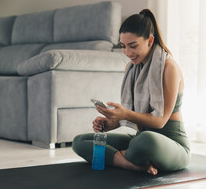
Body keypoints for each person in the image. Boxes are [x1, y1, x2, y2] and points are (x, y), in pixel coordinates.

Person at [72, 9, 190, 175]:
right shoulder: (131, 68)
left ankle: (118, 158)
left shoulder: (169, 67)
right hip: (140, 137)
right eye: (123, 46)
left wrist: (125, 114)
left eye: (133, 46)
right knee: (80, 141)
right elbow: (135, 116)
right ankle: (131, 164)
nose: (128, 53)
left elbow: (160, 121)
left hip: (170, 144)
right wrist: (110, 122)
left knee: (144, 141)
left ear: (150, 40)